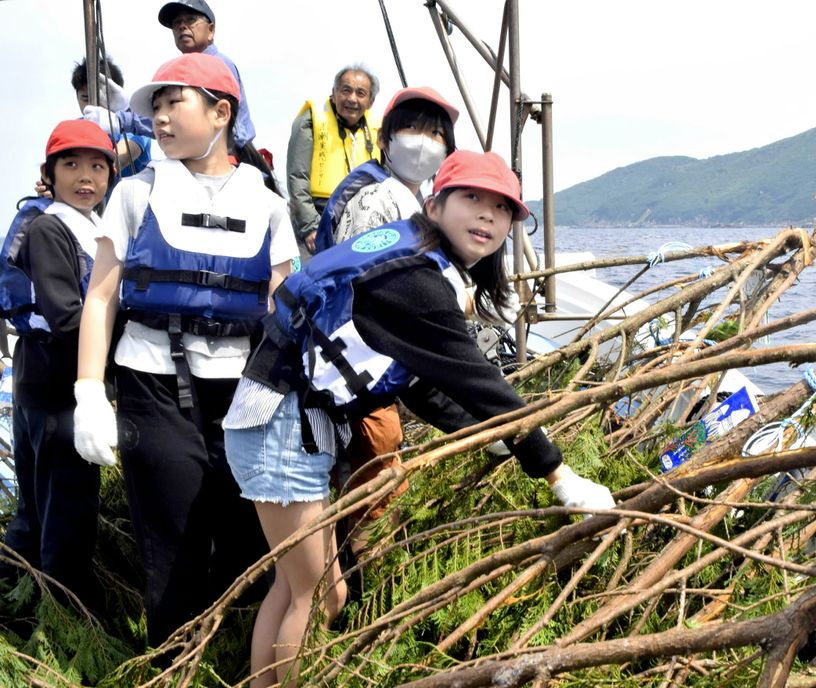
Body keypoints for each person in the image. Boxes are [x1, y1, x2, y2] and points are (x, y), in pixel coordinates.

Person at [222, 149, 616, 686]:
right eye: (471, 199)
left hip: (287, 420)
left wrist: (482, 434)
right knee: (319, 598)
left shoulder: (418, 260)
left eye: (502, 209)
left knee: (296, 588)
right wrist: (557, 473)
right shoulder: (416, 278)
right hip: (281, 423)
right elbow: (479, 381)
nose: (487, 216)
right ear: (435, 205)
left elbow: (417, 379)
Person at [71, 53, 297, 649]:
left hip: (245, 390)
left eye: (175, 103)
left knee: (247, 537)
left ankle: (230, 654)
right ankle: (172, 658)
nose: (161, 119)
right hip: (150, 382)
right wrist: (89, 393)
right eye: (157, 109)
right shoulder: (135, 194)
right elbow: (101, 297)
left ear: (221, 112)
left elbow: (285, 308)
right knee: (171, 544)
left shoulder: (268, 203)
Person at [315, 85, 459, 550]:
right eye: (412, 128)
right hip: (360, 367)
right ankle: (361, 575)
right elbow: (370, 293)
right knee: (374, 472)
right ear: (386, 138)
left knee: (381, 469)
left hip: (387, 366)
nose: (423, 141)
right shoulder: (375, 198)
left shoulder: (417, 202)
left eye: (435, 134)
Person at [1, 120, 116, 612]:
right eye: (71, 165)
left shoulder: (88, 224)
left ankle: (14, 608)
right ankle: (65, 624)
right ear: (48, 173)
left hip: (39, 387)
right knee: (65, 517)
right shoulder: (51, 227)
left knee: (34, 512)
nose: (85, 177)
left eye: (97, 166)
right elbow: (69, 316)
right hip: (56, 396)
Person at [84, 0, 256, 150]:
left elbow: (184, 122)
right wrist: (128, 109)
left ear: (210, 30)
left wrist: (121, 120)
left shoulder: (216, 66)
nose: (182, 26)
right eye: (177, 23)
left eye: (190, 19)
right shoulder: (184, 69)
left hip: (229, 162)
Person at [286, 65, 380, 255]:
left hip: (362, 222)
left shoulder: (380, 130)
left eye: (360, 93)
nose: (352, 98)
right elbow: (297, 176)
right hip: (318, 217)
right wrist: (310, 227)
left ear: (370, 101)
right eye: (346, 90)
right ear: (334, 93)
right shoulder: (311, 120)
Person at [72, 57, 152, 178]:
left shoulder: (134, 126)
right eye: (85, 98)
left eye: (102, 99)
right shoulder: (73, 129)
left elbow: (121, 159)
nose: (93, 105)